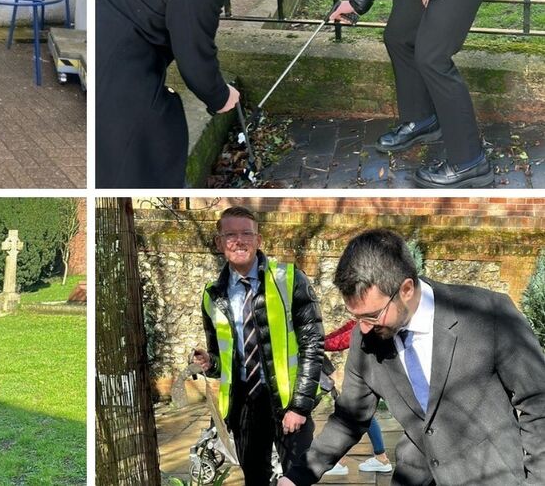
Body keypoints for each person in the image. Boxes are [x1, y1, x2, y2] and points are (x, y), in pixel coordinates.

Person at [279, 229, 545, 486]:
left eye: (372, 315)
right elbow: (350, 418)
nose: (363, 328)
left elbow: (538, 402)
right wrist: (296, 476)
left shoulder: (487, 314)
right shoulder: (367, 339)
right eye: (356, 317)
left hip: (490, 475)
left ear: (406, 289)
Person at [96, 0, 301, 187]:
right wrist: (219, 95)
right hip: (117, 70)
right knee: (144, 157)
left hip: (105, 47)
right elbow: (194, 54)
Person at [328, 0, 517, 188]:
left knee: (433, 57)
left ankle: (470, 162)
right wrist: (357, 2)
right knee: (399, 35)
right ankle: (423, 120)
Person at [191, 206, 324, 484]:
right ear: (219, 243)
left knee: (296, 478)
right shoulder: (212, 295)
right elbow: (220, 358)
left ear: (258, 240)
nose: (239, 241)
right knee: (254, 478)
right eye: (230, 235)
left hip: (285, 401)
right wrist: (209, 362)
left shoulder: (288, 278)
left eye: (246, 234)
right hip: (243, 405)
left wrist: (300, 407)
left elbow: (312, 343)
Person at [321, 319, 392, 476]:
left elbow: (344, 339)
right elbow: (345, 330)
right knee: (361, 414)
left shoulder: (370, 321)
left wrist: (317, 343)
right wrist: (321, 340)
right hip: (369, 370)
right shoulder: (364, 317)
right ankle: (381, 458)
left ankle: (339, 461)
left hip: (370, 371)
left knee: (353, 413)